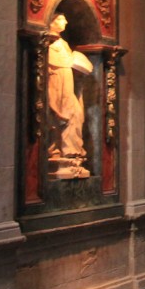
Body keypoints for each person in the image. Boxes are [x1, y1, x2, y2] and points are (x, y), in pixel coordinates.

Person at [47, 14, 93, 179]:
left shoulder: (64, 44)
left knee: (77, 115)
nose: (65, 22)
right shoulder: (49, 44)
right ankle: (60, 151)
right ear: (51, 22)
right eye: (61, 19)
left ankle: (73, 152)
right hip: (57, 83)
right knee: (60, 117)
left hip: (68, 84)